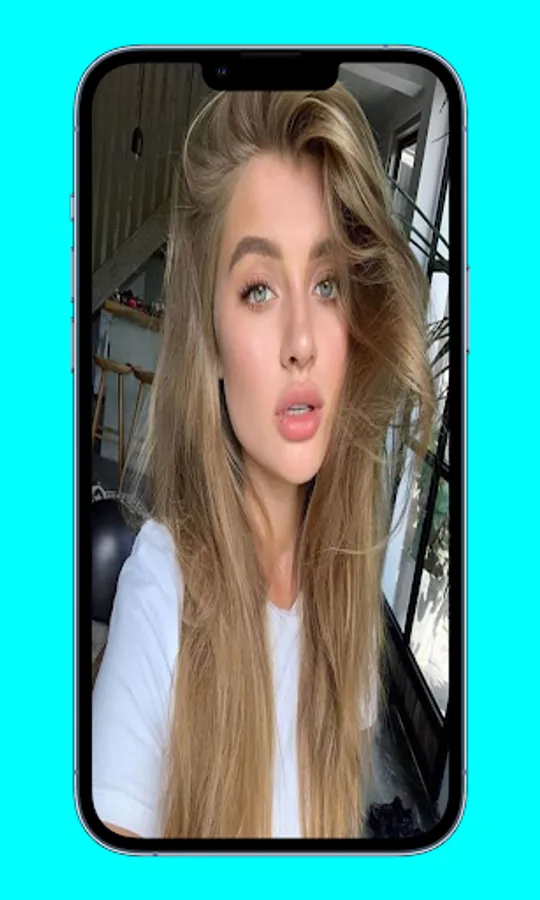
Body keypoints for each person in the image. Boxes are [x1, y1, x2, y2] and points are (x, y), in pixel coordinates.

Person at [92, 84, 436, 839]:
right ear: (212, 343)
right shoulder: (164, 591)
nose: (302, 340)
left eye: (327, 283)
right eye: (258, 290)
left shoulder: (344, 592)